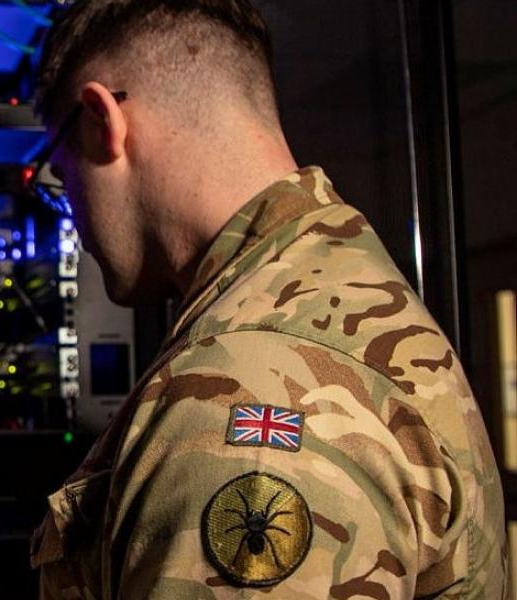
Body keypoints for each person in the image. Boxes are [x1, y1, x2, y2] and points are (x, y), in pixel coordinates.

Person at [28, 0, 506, 597]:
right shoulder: (333, 280)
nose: (70, 207)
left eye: (59, 175)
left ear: (103, 124)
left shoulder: (251, 390)